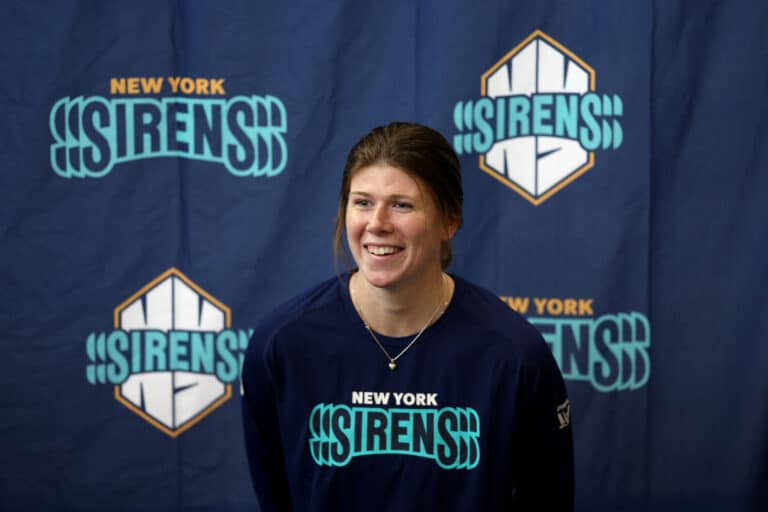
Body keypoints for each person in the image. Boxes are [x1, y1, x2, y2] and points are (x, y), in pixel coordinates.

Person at [241, 122, 574, 511]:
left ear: (449, 221)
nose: (377, 222)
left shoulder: (514, 354)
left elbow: (548, 498)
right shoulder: (281, 344)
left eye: (401, 204)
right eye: (362, 202)